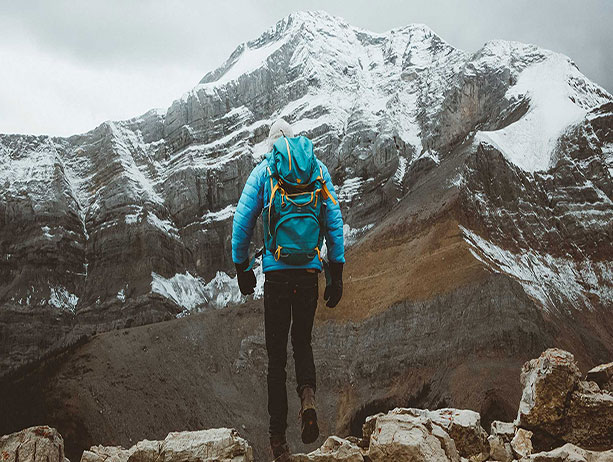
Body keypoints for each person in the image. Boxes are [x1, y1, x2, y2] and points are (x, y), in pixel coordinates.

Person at [231, 119, 345, 461]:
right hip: (309, 273)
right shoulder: (318, 169)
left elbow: (242, 221)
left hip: (278, 275)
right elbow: (334, 219)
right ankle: (308, 399)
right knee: (303, 343)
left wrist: (242, 268)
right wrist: (336, 271)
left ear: (272, 145)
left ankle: (278, 441)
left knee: (276, 358)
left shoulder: (264, 171)